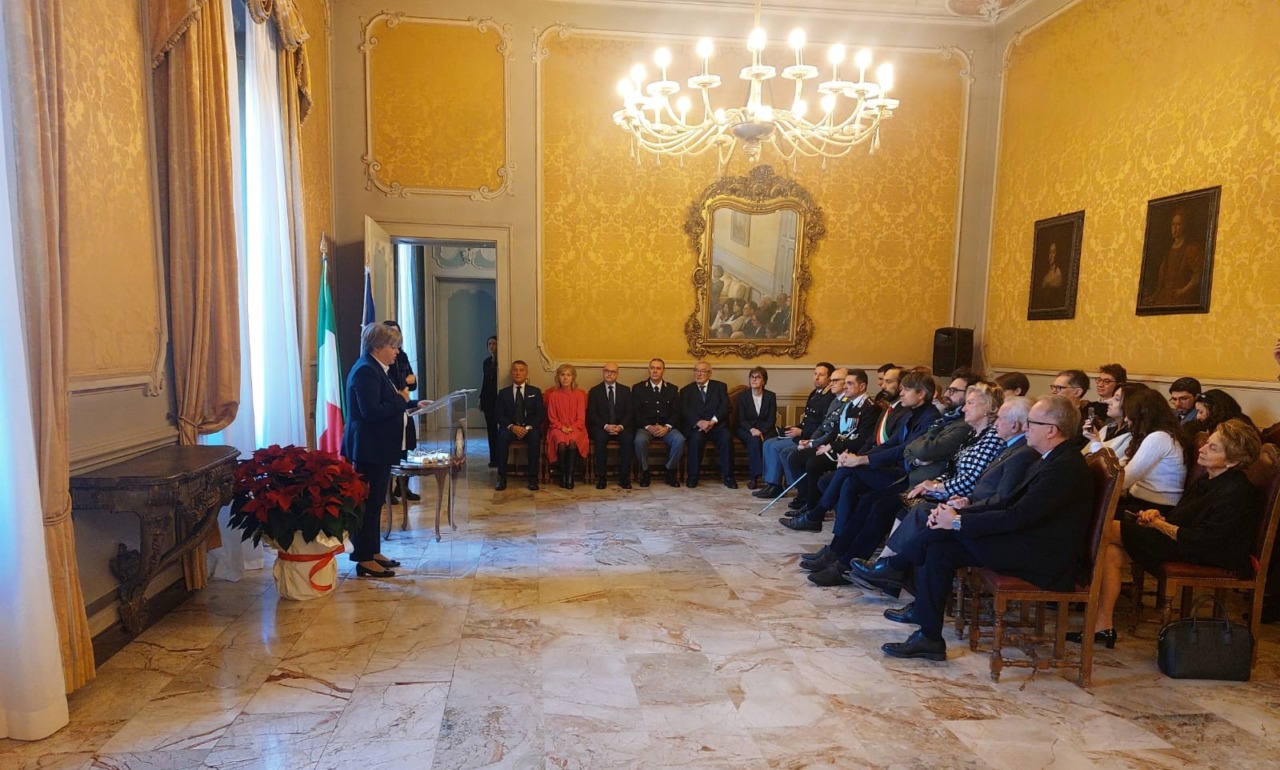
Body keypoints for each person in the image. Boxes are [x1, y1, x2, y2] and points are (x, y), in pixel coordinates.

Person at [875, 395, 1094, 662]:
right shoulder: (1051, 458)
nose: (1025, 427)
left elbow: (1016, 516)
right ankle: (928, 636)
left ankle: (894, 566)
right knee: (938, 548)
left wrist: (957, 521)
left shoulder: (1063, 468)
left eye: (1031, 423)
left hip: (1043, 558)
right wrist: (958, 513)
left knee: (941, 536)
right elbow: (1009, 504)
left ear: (1051, 430)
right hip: (1027, 541)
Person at [1077, 419, 1263, 648]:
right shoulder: (1209, 477)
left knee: (1107, 529)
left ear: (1232, 461)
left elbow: (1207, 539)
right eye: (1207, 443)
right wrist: (1160, 516)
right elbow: (1185, 516)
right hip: (1187, 540)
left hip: (1210, 552)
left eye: (1212, 447)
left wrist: (1159, 525)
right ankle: (1102, 627)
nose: (1203, 448)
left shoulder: (1236, 491)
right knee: (1111, 553)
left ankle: (1068, 584)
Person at [341, 322, 432, 578]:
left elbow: (388, 402)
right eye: (394, 347)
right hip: (369, 448)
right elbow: (372, 412)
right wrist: (402, 400)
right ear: (378, 346)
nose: (397, 352)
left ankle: (373, 551)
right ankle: (363, 558)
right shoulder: (366, 371)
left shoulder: (377, 368)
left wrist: (413, 403)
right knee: (368, 504)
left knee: (376, 503)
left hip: (378, 447)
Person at [754, 362, 836, 498]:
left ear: (829, 378)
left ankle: (783, 486)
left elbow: (823, 425)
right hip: (802, 432)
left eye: (821, 375)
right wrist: (796, 427)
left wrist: (802, 432)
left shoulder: (830, 398)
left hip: (809, 437)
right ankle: (771, 483)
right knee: (768, 443)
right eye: (815, 374)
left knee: (775, 447)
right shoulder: (814, 394)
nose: (816, 377)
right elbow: (807, 421)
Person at [680, 362, 736, 488]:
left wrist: (713, 421)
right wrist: (699, 422)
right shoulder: (686, 391)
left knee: (726, 438)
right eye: (696, 370)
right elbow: (684, 410)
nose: (699, 374)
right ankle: (693, 477)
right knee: (695, 440)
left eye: (703, 371)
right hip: (698, 428)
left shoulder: (720, 387)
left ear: (709, 373)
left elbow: (726, 407)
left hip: (717, 426)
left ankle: (728, 477)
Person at [383, 320, 420, 503]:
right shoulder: (382, 361)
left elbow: (413, 384)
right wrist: (405, 384)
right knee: (391, 450)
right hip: (391, 408)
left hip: (404, 407)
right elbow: (393, 384)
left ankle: (403, 487)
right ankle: (387, 490)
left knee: (406, 449)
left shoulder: (402, 356)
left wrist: (411, 381)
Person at [632, 358, 685, 487]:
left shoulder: (672, 389)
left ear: (663, 371)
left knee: (680, 440)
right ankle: (645, 472)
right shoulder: (638, 388)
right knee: (639, 440)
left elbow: (676, 412)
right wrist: (648, 426)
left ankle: (670, 470)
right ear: (649, 370)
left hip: (666, 428)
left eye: (658, 368)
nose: (655, 371)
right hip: (646, 427)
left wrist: (667, 427)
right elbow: (636, 412)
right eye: (652, 368)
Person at [494, 360, 545, 491]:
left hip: (529, 428)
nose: (518, 373)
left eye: (521, 370)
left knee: (535, 438)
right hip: (510, 428)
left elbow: (540, 415)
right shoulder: (503, 393)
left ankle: (533, 477)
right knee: (502, 437)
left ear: (526, 373)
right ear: (511, 373)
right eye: (515, 370)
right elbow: (499, 415)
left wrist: (527, 428)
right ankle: (501, 477)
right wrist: (512, 427)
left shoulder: (535, 391)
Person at [1144, 207, 1205, 307]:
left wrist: (1183, 291)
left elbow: (1198, 274)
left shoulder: (1191, 249)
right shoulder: (1169, 251)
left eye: (1178, 224)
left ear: (1184, 226)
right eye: (1173, 224)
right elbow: (1162, 280)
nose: (1174, 228)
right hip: (1166, 296)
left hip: (1182, 298)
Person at [587, 362, 634, 490]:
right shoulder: (595, 391)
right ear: (603, 372)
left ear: (617, 374)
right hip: (602, 427)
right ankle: (602, 478)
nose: (609, 374)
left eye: (612, 372)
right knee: (600, 439)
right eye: (606, 371)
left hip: (621, 427)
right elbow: (592, 414)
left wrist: (620, 426)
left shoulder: (625, 390)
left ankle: (624, 478)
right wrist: (606, 426)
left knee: (628, 439)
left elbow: (630, 413)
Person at [545, 363, 588, 489]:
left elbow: (581, 418)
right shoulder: (553, 395)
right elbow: (552, 417)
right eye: (562, 374)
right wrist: (561, 427)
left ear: (573, 377)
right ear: (558, 377)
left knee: (573, 441)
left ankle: (570, 476)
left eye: (568, 375)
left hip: (577, 428)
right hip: (557, 428)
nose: (565, 378)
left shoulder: (579, 395)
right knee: (561, 442)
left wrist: (571, 428)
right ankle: (562, 476)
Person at [734, 366, 778, 489]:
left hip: (766, 429)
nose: (754, 380)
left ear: (764, 381)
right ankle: (754, 477)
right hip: (746, 428)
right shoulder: (743, 396)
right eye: (752, 377)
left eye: (758, 377)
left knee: (770, 443)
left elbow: (771, 419)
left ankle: (772, 478)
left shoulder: (770, 396)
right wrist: (752, 429)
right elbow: (741, 419)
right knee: (754, 441)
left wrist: (761, 431)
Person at [1088, 363, 1127, 430]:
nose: (1100, 385)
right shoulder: (1088, 406)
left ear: (1118, 384)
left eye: (1106, 381)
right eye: (1099, 380)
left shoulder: (1120, 409)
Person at [480, 335, 499, 467]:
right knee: (490, 429)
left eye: (494, 343)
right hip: (488, 399)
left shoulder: (501, 361)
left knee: (499, 430)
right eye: (489, 344)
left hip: (498, 398)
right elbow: (485, 381)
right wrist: (481, 398)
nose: (492, 346)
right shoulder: (486, 362)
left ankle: (500, 458)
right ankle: (493, 459)